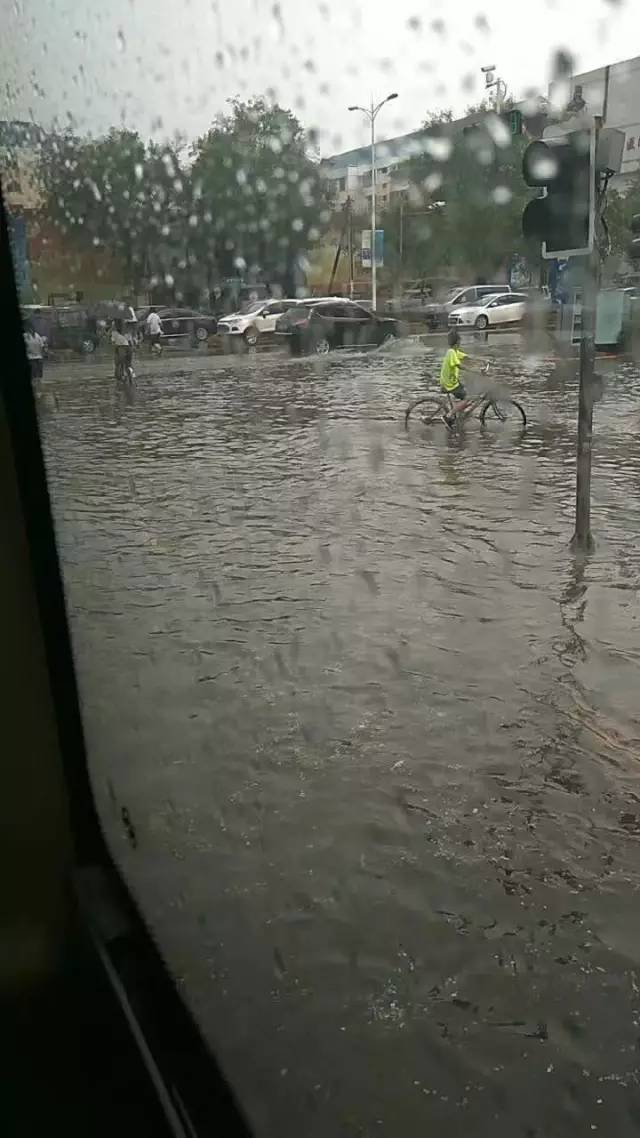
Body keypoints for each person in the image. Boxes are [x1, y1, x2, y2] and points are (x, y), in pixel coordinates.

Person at [439, 329, 485, 427]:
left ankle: (459, 412)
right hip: (449, 384)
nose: (461, 343)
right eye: (460, 341)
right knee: (467, 398)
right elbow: (459, 365)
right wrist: (474, 371)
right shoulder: (451, 352)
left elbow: (466, 358)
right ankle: (448, 416)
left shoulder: (455, 351)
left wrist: (482, 361)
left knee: (469, 395)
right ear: (457, 342)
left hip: (453, 382)